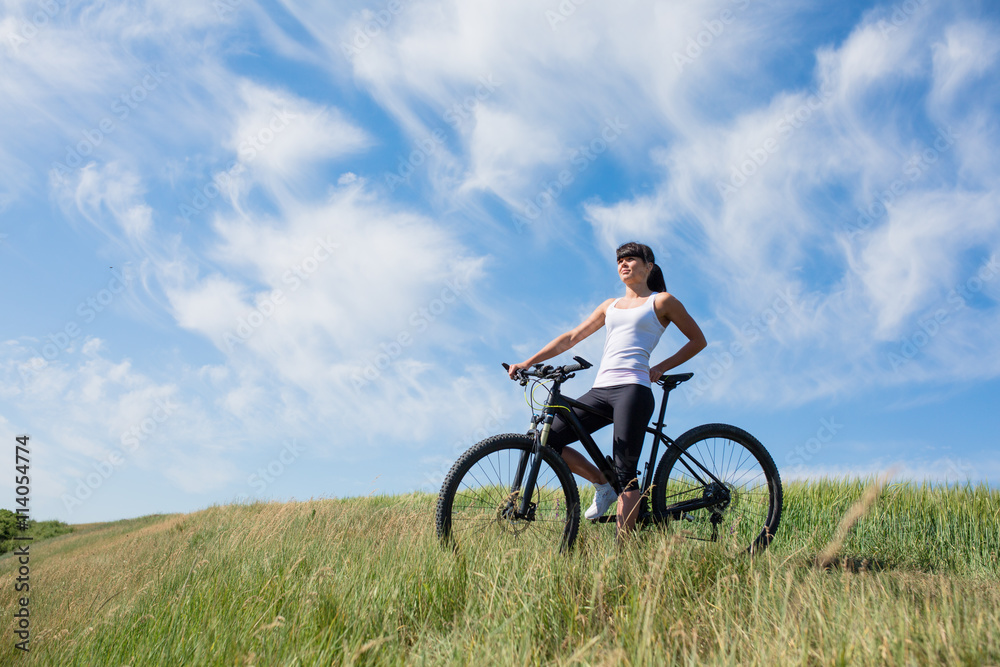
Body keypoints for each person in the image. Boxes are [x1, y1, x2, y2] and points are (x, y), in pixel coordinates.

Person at [507, 241, 706, 541]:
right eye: (620, 260)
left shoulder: (662, 302)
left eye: (631, 259)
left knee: (626, 474)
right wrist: (528, 361)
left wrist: (662, 366)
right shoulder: (609, 305)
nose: (624, 264)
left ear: (649, 266)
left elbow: (697, 340)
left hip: (633, 389)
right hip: (601, 390)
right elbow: (572, 337)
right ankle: (602, 483)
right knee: (548, 441)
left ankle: (622, 557)